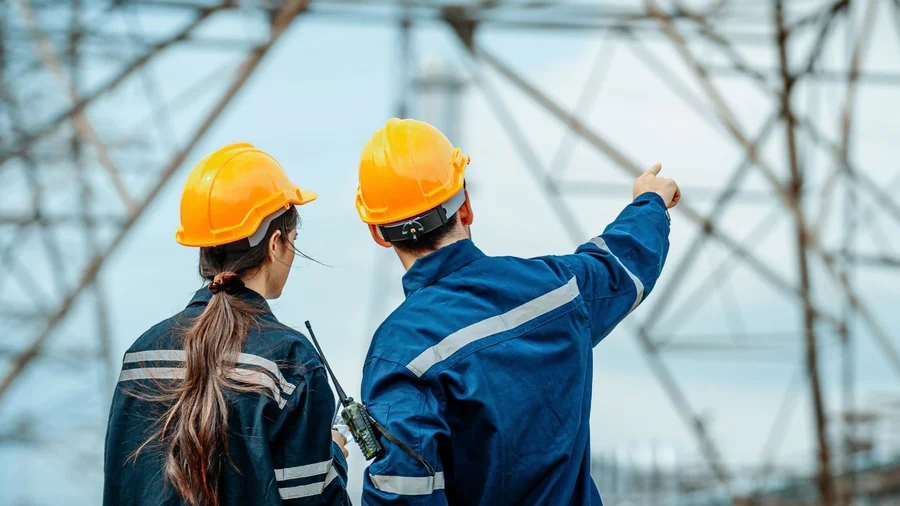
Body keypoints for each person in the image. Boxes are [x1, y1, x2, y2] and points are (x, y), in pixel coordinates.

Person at [354, 118, 680, 505]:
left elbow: (404, 492)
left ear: (377, 232)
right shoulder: (558, 289)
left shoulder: (400, 351)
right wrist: (650, 201)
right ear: (466, 207)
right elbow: (621, 263)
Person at [104, 143, 351, 506]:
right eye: (294, 240)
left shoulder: (141, 356)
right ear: (277, 243)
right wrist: (335, 456)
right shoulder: (291, 361)